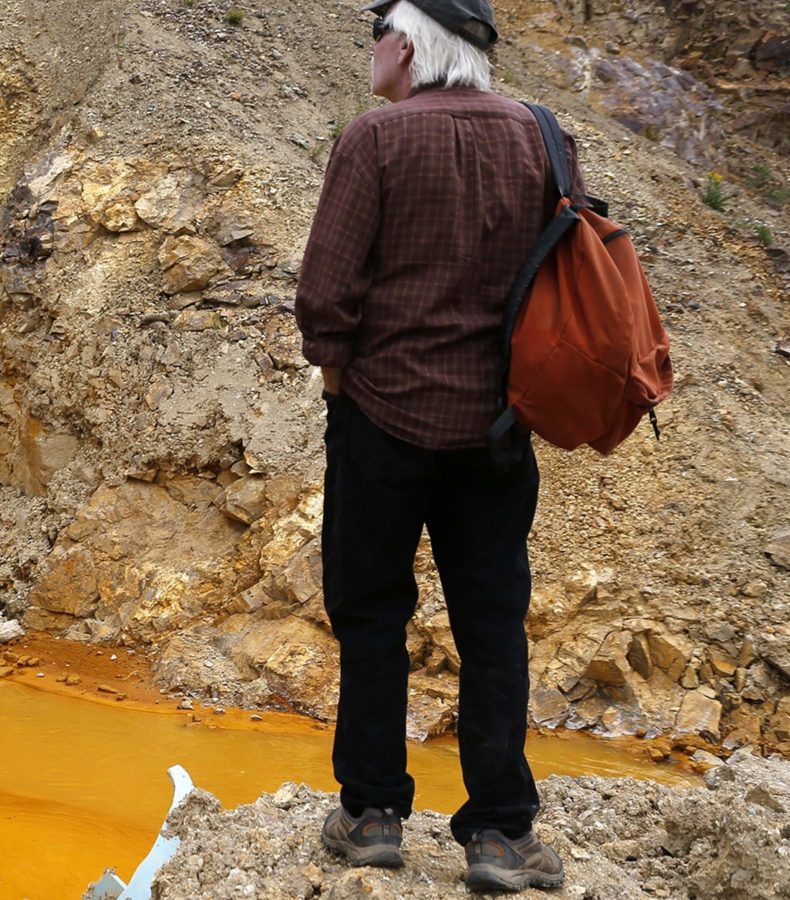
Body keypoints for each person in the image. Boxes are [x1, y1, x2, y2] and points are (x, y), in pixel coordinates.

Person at [294, 0, 585, 892]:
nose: (370, 47)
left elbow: (323, 298)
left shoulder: (373, 141)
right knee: (493, 625)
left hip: (382, 423)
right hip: (499, 434)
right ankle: (500, 834)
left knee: (373, 614)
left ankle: (375, 814)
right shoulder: (545, 139)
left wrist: (346, 388)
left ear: (409, 44)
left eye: (377, 29)